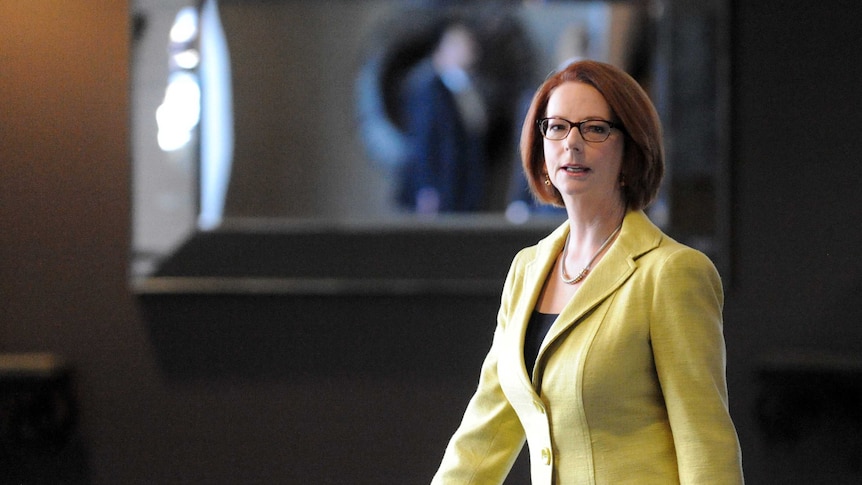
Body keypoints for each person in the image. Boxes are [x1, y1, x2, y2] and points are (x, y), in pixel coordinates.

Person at [431, 60, 744, 484]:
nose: (571, 144)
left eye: (594, 128)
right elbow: (482, 434)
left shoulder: (670, 273)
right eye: (557, 127)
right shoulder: (527, 269)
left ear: (631, 150)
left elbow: (704, 443)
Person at [396, 21, 488, 214]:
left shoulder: (468, 88)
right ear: (443, 50)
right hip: (439, 191)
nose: (469, 48)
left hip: (464, 191)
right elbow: (423, 142)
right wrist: (427, 189)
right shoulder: (429, 90)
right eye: (461, 44)